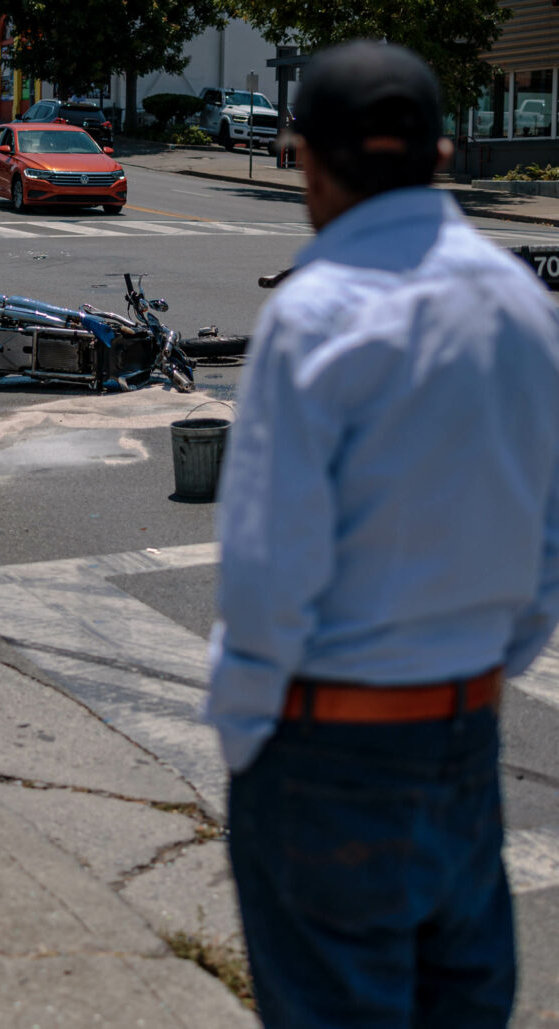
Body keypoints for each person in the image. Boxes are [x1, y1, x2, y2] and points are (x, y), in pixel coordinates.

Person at [208, 41, 559, 1027]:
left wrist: (247, 739)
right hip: (464, 728)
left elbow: (270, 572)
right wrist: (481, 667)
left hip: (328, 743)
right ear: (442, 152)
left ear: (305, 160)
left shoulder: (313, 314)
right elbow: (548, 542)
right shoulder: (525, 307)